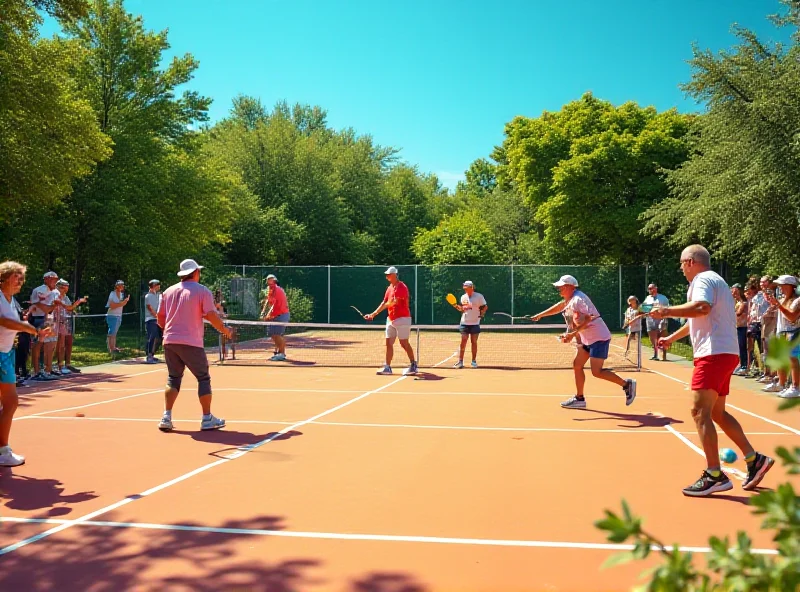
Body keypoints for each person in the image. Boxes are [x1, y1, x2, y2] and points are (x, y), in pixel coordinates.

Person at [651, 244, 774, 496]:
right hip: (725, 353)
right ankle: (754, 460)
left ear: (690, 261)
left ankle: (714, 474)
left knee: (699, 411)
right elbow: (700, 316)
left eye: (681, 263)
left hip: (713, 353)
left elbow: (701, 308)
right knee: (717, 413)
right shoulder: (716, 280)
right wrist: (672, 337)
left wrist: (666, 311)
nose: (681, 269)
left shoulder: (702, 279)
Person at [530, 274, 636, 409]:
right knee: (577, 365)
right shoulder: (569, 299)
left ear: (569, 287)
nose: (559, 290)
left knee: (596, 372)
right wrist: (540, 315)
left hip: (598, 338)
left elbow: (589, 318)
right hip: (586, 339)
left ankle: (627, 384)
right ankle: (579, 398)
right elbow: (559, 306)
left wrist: (572, 334)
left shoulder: (579, 299)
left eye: (561, 287)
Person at [156, 259, 232, 432]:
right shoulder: (202, 291)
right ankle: (207, 418)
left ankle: (166, 417)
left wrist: (171, 330)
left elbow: (161, 318)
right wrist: (225, 330)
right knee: (203, 378)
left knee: (173, 378)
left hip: (170, 341)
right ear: (196, 272)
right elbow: (211, 315)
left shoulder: (168, 291)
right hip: (191, 342)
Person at [0, 261, 52, 466]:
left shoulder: (11, 300)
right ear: (3, 277)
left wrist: (33, 330)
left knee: (8, 403)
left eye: (22, 278)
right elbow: (4, 321)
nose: (20, 281)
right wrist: (32, 329)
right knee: (11, 402)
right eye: (16, 277)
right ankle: (3, 450)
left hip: (5, 354)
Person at [364, 266, 417, 376]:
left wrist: (375, 313)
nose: (387, 276)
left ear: (395, 275)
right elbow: (384, 302)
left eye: (389, 274)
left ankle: (413, 364)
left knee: (404, 343)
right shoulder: (389, 288)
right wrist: (373, 314)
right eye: (386, 274)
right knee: (388, 343)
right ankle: (387, 367)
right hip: (391, 319)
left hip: (402, 318)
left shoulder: (402, 287)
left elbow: (393, 302)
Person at [452, 280, 487, 368]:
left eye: (467, 288)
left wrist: (482, 313)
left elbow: (485, 306)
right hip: (464, 323)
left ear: (472, 287)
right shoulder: (463, 297)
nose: (465, 289)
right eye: (465, 288)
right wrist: (456, 306)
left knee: (474, 342)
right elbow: (462, 309)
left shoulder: (479, 296)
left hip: (475, 323)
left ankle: (473, 361)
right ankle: (460, 362)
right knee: (463, 340)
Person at [261, 274, 290, 362]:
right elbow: (267, 301)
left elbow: (274, 304)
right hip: (275, 315)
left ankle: (282, 354)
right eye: (267, 279)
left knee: (277, 335)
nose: (268, 280)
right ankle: (279, 353)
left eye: (270, 279)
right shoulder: (270, 289)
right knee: (273, 334)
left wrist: (267, 315)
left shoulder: (277, 289)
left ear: (274, 280)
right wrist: (263, 312)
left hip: (282, 314)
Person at [643, 283, 670, 361]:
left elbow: (667, 309)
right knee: (652, 338)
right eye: (649, 289)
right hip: (650, 320)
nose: (650, 290)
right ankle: (655, 354)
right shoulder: (647, 298)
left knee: (662, 338)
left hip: (661, 320)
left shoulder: (663, 298)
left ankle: (663, 356)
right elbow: (644, 309)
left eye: (651, 288)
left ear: (656, 288)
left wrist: (664, 319)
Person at [105, 280, 129, 354]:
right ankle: (111, 349)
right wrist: (122, 303)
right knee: (112, 333)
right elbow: (111, 305)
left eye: (123, 285)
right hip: (112, 315)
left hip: (119, 315)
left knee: (114, 333)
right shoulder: (112, 294)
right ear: (117, 286)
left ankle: (113, 347)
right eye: (120, 285)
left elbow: (120, 304)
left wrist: (124, 302)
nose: (122, 286)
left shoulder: (122, 294)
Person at [144, 279, 163, 364]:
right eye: (157, 284)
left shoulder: (158, 295)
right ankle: (149, 356)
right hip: (150, 319)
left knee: (159, 337)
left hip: (157, 319)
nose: (159, 286)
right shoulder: (148, 296)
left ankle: (152, 354)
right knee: (152, 336)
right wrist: (157, 317)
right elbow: (150, 308)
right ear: (153, 286)